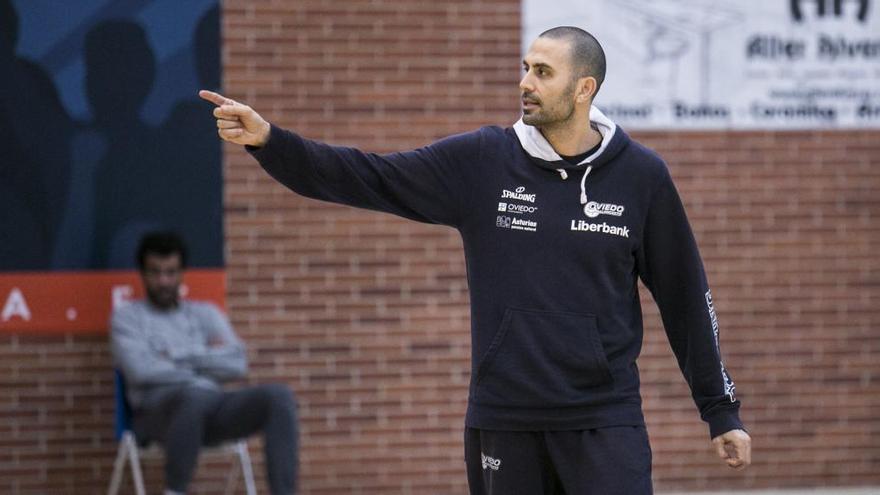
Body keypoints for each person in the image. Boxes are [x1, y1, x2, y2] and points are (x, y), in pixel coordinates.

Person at [200, 26, 751, 495]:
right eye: (525, 68)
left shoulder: (642, 177)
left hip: (605, 423)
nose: (525, 83)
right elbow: (371, 176)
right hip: (504, 419)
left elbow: (686, 297)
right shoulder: (483, 161)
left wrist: (719, 409)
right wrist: (270, 142)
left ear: (585, 89)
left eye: (542, 72)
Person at [110, 232, 298, 495]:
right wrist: (207, 360)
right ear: (143, 274)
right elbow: (140, 371)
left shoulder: (205, 313)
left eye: (171, 272)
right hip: (155, 415)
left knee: (278, 396)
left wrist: (175, 356)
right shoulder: (128, 318)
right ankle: (175, 490)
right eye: (156, 272)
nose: (164, 281)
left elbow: (237, 363)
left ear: (182, 273)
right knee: (195, 395)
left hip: (213, 410)